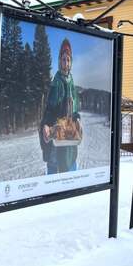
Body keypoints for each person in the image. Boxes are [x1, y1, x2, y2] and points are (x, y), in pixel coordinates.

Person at [40, 38, 81, 174]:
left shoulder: (72, 82)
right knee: (54, 168)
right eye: (63, 59)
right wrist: (46, 125)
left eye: (68, 60)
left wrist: (77, 119)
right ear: (59, 61)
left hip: (69, 137)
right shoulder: (56, 83)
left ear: (71, 62)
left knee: (71, 168)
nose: (66, 63)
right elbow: (49, 110)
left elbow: (75, 109)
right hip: (58, 133)